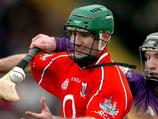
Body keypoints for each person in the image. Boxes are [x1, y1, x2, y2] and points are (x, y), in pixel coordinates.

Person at [0, 4, 133, 119]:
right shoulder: (67, 61)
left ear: (104, 37)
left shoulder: (111, 80)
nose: (76, 41)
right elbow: (29, 62)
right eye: (73, 33)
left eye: (84, 35)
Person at [31, 32, 158, 119]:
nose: (150, 64)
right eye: (148, 57)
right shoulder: (136, 82)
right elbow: (95, 55)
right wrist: (56, 43)